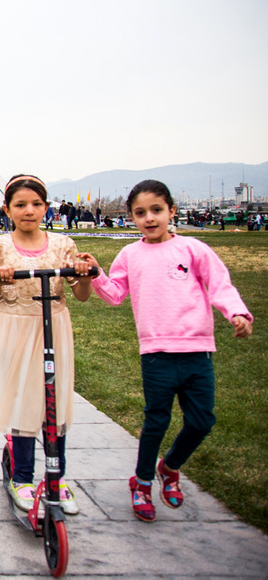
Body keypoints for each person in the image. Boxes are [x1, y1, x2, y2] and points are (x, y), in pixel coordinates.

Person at [76, 180, 253, 522]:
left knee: (202, 421)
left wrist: (237, 313)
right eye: (140, 213)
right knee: (156, 420)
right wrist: (96, 273)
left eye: (156, 210)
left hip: (197, 351)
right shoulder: (130, 255)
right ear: (131, 217)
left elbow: (220, 285)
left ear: (171, 211)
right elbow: (114, 294)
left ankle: (170, 467)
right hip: (156, 353)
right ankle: (142, 482)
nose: (149, 218)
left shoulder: (194, 249)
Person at [0, 174, 94, 515]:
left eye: (36, 204)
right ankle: (22, 476)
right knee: (23, 401)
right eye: (21, 205)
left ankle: (57, 477)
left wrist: (84, 275)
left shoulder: (63, 244)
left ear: (46, 207)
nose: (29, 211)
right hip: (15, 327)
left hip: (53, 325)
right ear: (7, 210)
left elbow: (82, 294)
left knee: (55, 400)